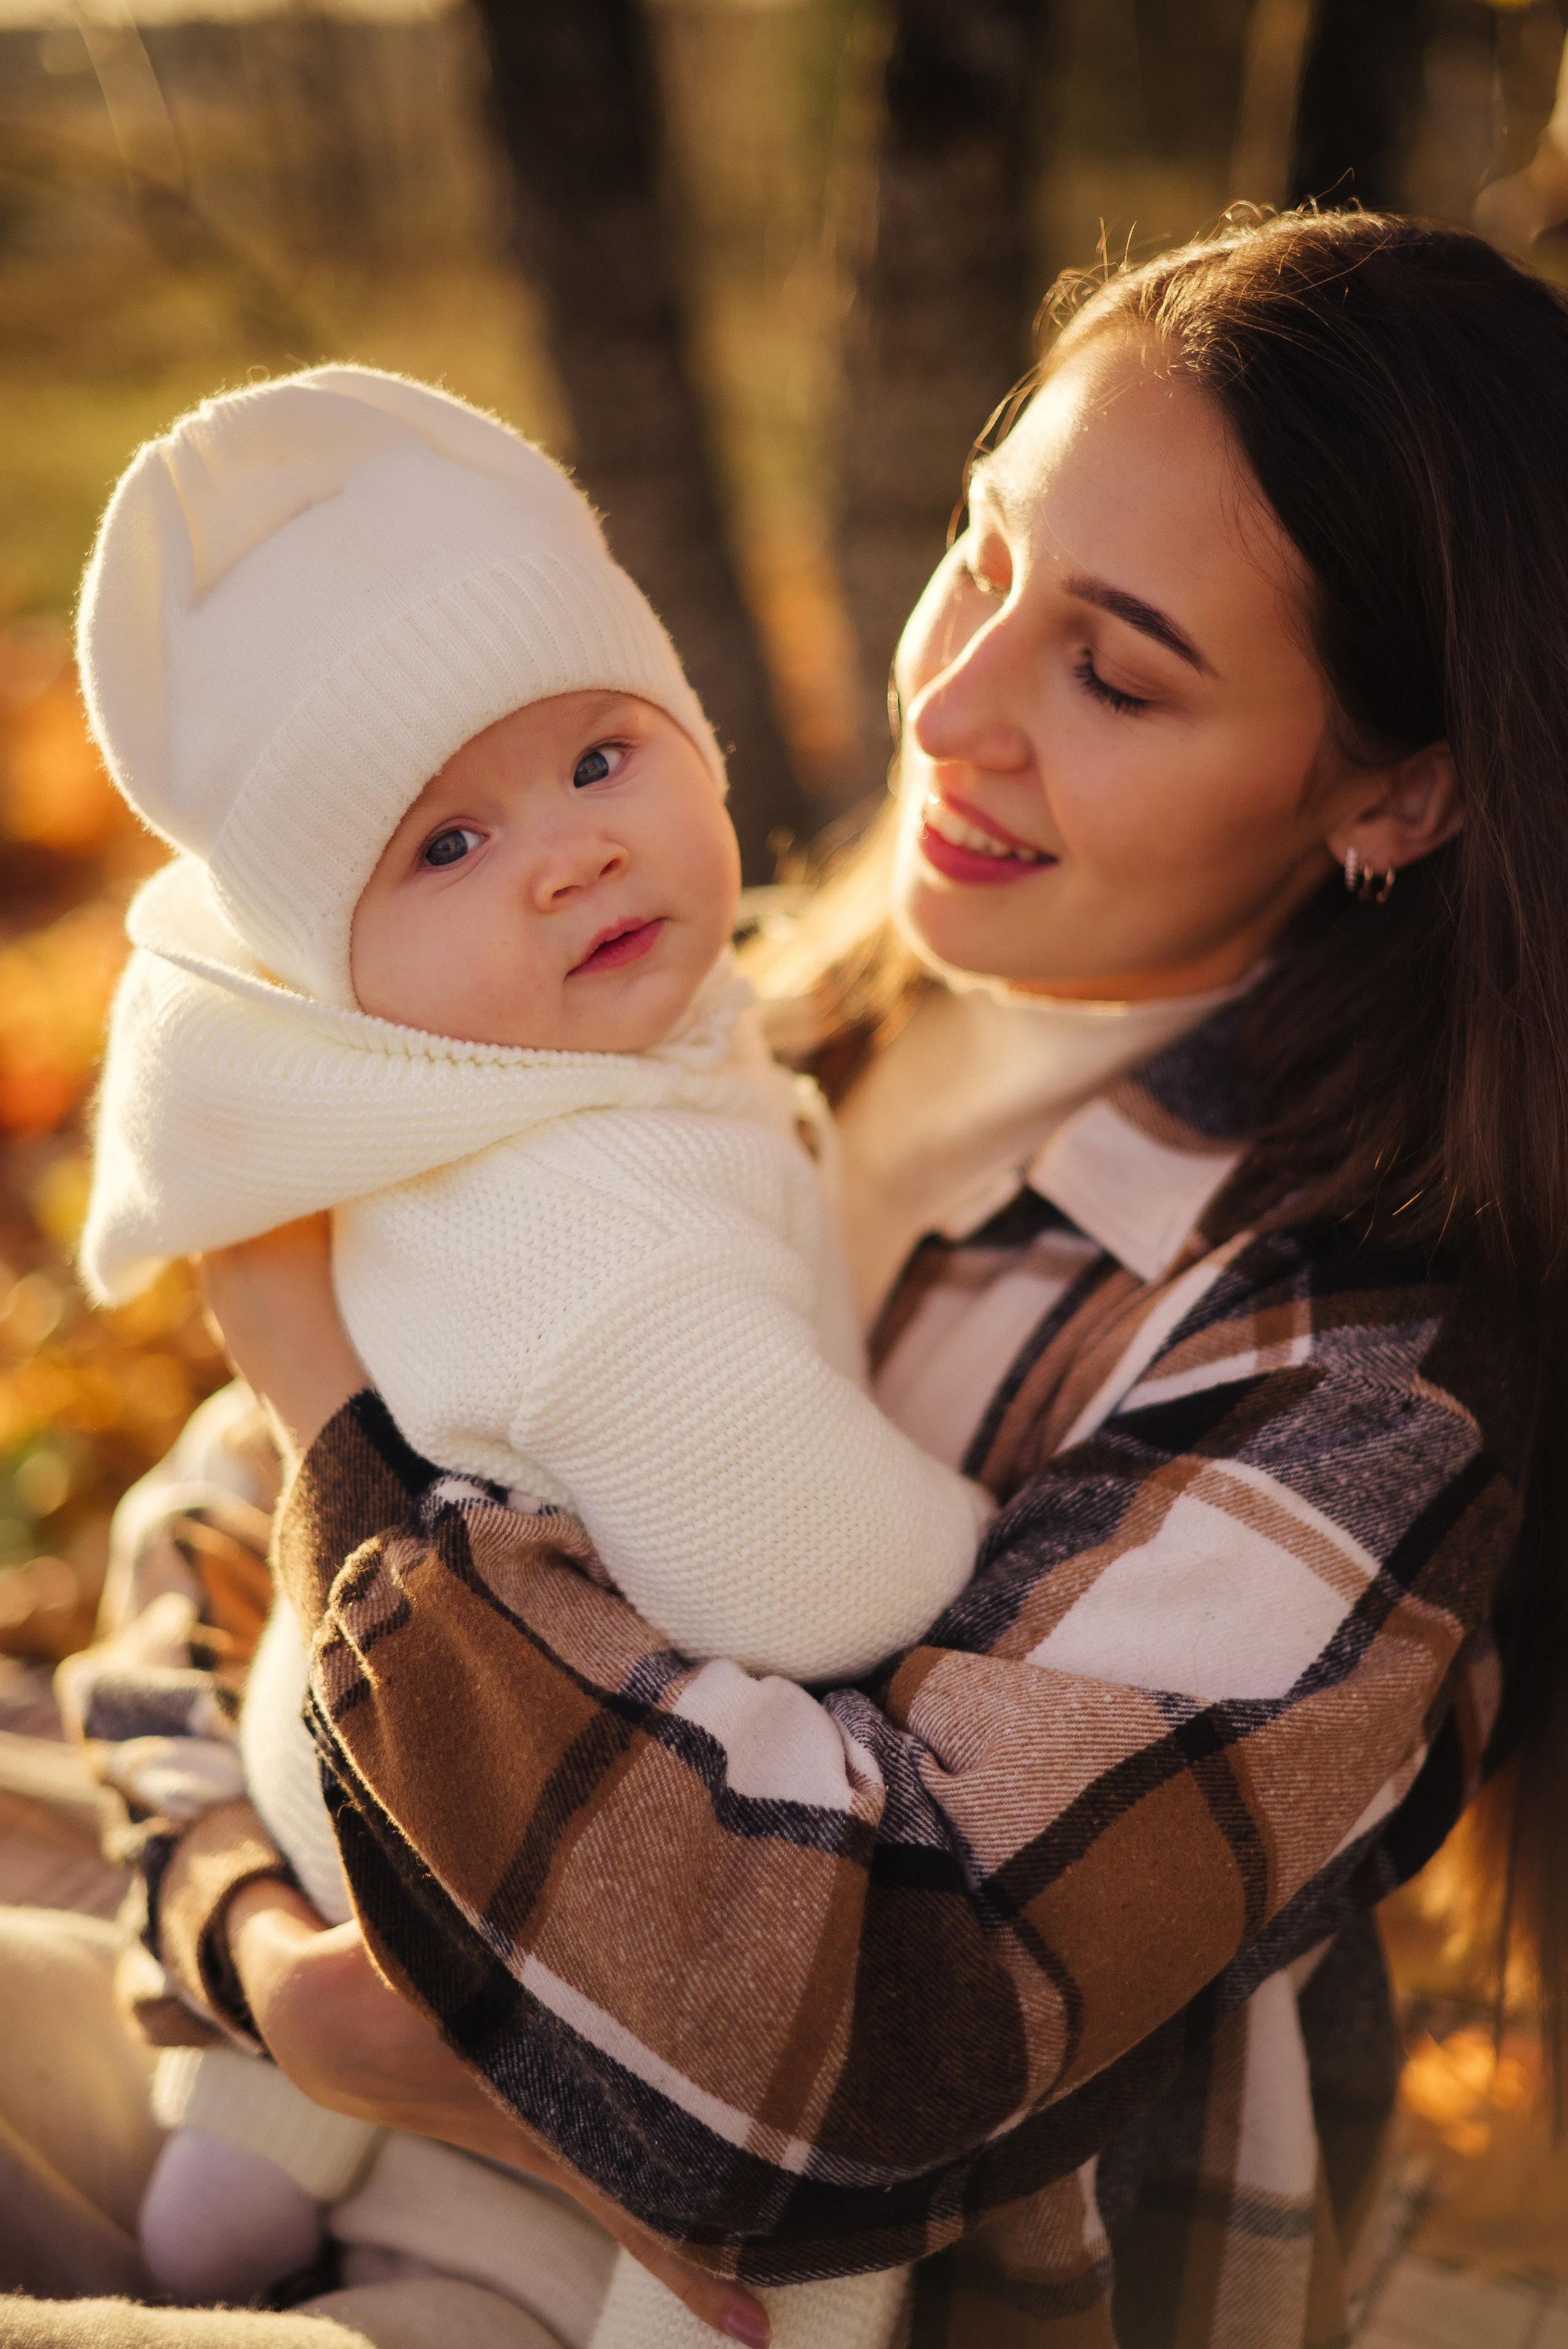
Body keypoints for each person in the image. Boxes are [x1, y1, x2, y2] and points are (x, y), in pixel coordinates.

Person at [3, 204, 1564, 2349]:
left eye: (1111, 669)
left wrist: (315, 1401)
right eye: (981, 550)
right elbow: (199, 1577)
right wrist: (276, 1977)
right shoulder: (756, 1007)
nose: (946, 696)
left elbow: (865, 2043)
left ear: (1398, 784)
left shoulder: (1360, 1370)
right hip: (321, 2048)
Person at [73, 366, 993, 2348]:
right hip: (500, 1799)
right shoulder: (591, 1230)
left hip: (330, 1740)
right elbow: (799, 1563)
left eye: (599, 759)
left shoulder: (486, 1087)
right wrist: (970, 1525)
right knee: (818, 2237)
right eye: (449, 847)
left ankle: (237, 2160)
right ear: (337, 977)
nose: (569, 855)